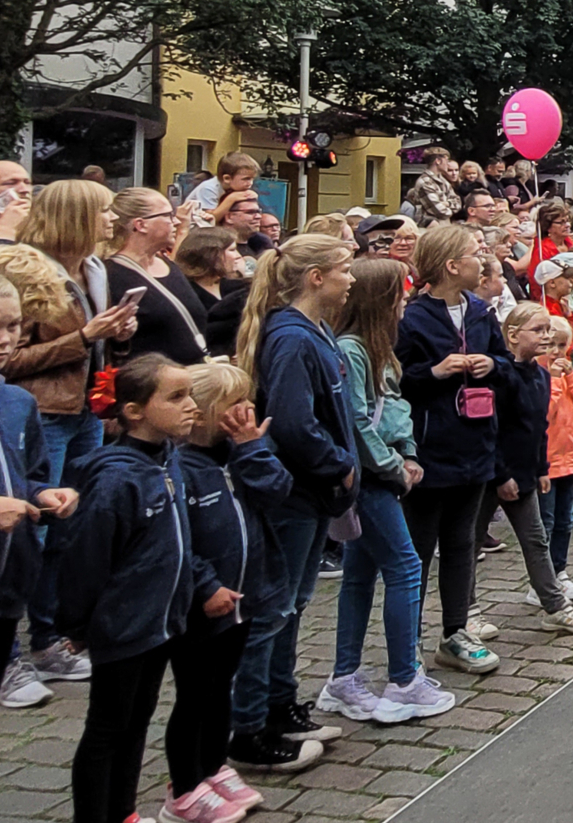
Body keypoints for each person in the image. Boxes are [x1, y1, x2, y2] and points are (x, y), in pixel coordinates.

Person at [56, 355, 243, 823]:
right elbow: (87, 558)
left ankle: (124, 811)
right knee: (108, 729)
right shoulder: (117, 477)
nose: (191, 407)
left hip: (162, 622)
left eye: (190, 396)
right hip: (124, 623)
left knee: (137, 724)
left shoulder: (169, 460)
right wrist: (78, 623)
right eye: (176, 397)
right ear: (135, 411)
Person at [228, 234, 358, 772]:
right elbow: (293, 420)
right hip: (296, 491)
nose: (352, 277)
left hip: (313, 492)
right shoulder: (291, 338)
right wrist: (338, 464)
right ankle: (248, 727)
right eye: (345, 268)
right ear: (316, 277)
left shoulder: (315, 331)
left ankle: (281, 705)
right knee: (272, 609)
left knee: (293, 604)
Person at [10, 183, 139, 684]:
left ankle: (50, 638)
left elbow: (97, 348)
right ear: (74, 216)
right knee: (35, 530)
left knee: (68, 529)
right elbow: (12, 359)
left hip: (86, 410)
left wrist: (117, 338)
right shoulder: (25, 270)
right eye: (104, 211)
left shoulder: (95, 268)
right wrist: (83, 337)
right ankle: (18, 649)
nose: (113, 219)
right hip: (42, 412)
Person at [316, 259, 453, 725]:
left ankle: (345, 675)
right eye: (400, 292)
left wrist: (409, 452)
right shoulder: (352, 349)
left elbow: (394, 408)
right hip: (371, 477)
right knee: (405, 566)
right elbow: (356, 419)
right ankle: (403, 678)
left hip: (386, 470)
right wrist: (394, 465)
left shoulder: (378, 349)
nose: (405, 300)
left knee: (361, 574)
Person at [172, 361, 298, 816]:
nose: (247, 411)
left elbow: (276, 490)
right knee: (195, 694)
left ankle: (213, 764)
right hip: (203, 604)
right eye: (235, 405)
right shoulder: (183, 467)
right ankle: (185, 782)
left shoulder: (240, 452)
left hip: (246, 597)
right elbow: (180, 541)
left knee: (222, 684)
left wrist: (252, 448)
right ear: (204, 413)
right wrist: (206, 585)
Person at [395, 224, 509, 676]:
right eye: (474, 252)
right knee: (420, 548)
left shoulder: (482, 312)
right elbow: (397, 379)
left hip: (476, 440)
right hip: (431, 445)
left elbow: (504, 363)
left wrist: (492, 364)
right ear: (451, 265)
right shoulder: (413, 317)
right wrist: (435, 371)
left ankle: (455, 630)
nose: (481, 259)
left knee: (462, 543)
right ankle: (407, 638)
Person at [0, 273, 82, 712]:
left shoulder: (16, 402)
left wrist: (45, 495)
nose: (4, 339)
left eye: (12, 326)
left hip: (10, 576)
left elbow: (28, 475)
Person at [490, 300, 573, 634]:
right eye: (540, 334)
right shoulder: (514, 375)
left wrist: (539, 467)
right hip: (517, 468)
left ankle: (556, 591)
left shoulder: (553, 375)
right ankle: (474, 611)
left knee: (550, 529)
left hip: (551, 464)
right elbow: (517, 422)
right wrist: (504, 472)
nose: (550, 344)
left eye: (554, 337)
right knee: (537, 526)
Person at [526, 308, 573, 596]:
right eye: (550, 346)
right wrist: (555, 381)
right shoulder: (537, 377)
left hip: (570, 458)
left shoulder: (570, 375)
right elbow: (544, 413)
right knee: (546, 522)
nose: (556, 352)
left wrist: (572, 379)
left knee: (565, 521)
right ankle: (541, 581)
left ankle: (560, 570)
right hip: (546, 461)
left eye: (561, 346)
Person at [105, 188, 210, 365]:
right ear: (141, 224)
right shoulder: (112, 275)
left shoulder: (168, 265)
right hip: (153, 384)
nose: (176, 221)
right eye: (168, 215)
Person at [183, 152, 259, 220]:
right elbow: (211, 220)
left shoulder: (234, 188)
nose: (250, 183)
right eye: (246, 179)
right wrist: (231, 198)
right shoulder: (208, 189)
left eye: (252, 179)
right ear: (227, 178)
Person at [406, 148, 462, 226]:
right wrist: (450, 205)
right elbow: (440, 212)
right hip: (430, 229)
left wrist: (447, 203)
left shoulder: (443, 181)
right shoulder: (425, 182)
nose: (448, 164)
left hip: (444, 226)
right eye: (447, 160)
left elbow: (458, 203)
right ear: (438, 161)